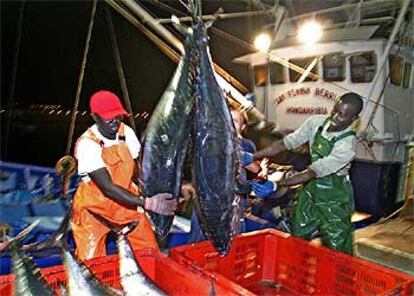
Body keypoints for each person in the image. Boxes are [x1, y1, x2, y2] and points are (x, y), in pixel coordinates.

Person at [247, 92, 363, 255]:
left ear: (354, 119)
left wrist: (275, 185)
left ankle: (339, 276)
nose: (335, 117)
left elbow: (311, 172)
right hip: (310, 189)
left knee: (337, 244)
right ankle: (296, 273)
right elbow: (285, 143)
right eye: (334, 111)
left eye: (342, 115)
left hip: (334, 196)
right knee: (298, 233)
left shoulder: (347, 146)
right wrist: (251, 156)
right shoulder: (316, 123)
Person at [71, 90, 177, 261]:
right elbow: (108, 188)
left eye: (118, 115)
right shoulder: (87, 145)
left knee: (148, 254)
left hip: (126, 205)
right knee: (91, 266)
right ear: (94, 117)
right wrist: (147, 203)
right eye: (108, 117)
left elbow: (139, 171)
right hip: (94, 209)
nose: (115, 120)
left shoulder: (125, 132)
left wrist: (164, 186)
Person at [189, 106, 275, 242]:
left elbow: (256, 169)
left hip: (233, 202)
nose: (229, 123)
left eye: (235, 121)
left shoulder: (246, 144)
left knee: (231, 241)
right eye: (226, 119)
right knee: (199, 240)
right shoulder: (210, 141)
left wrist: (241, 156)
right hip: (207, 200)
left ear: (242, 127)